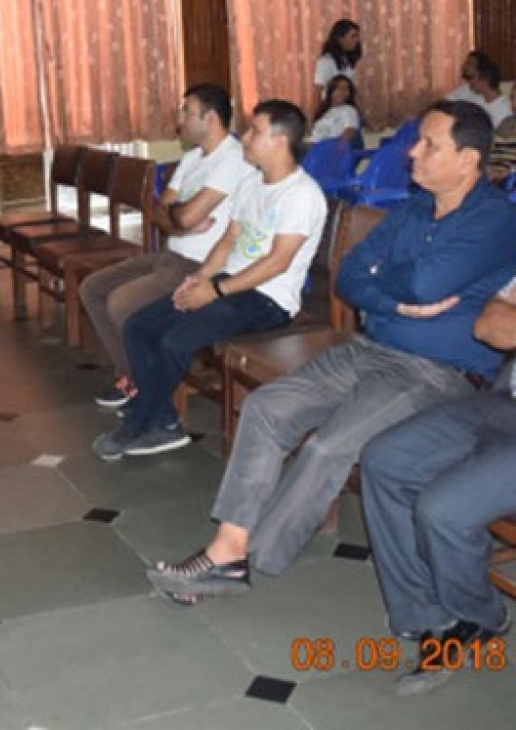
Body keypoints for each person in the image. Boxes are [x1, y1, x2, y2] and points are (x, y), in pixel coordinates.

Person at [147, 100, 516, 600]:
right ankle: (229, 550)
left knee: (327, 446)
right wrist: (397, 303)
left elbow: (426, 282)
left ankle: (245, 556)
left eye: (429, 144)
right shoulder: (413, 206)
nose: (413, 150)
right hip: (370, 347)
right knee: (266, 407)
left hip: (434, 372)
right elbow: (349, 275)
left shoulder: (495, 221)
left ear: (468, 160)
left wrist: (383, 282)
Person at [92, 100, 327, 460]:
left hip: (267, 300)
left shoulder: (303, 194)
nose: (245, 138)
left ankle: (141, 424)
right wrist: (199, 279)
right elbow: (228, 240)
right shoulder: (253, 182)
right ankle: (165, 420)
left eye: (255, 132)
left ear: (280, 141)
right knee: (139, 326)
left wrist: (215, 290)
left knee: (174, 340)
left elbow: (278, 262)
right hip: (228, 285)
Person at [360, 286, 516, 697]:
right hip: (505, 402)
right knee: (385, 459)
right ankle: (425, 613)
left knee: (443, 510)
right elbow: (489, 325)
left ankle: (480, 617)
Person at [81, 84, 253, 410]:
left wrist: (178, 216)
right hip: (170, 255)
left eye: (187, 112)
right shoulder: (191, 158)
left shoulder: (232, 160)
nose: (181, 120)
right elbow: (159, 213)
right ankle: (135, 376)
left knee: (121, 303)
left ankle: (146, 389)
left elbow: (182, 214)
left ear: (211, 118)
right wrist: (179, 219)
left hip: (199, 266)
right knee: (93, 289)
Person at [313, 19, 362, 93]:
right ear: (340, 38)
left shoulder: (345, 59)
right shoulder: (326, 61)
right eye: (352, 36)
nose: (356, 40)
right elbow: (317, 90)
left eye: (357, 37)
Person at [467, 51, 513, 128]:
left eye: (473, 78)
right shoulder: (476, 99)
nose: (470, 81)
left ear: (484, 81)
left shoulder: (506, 109)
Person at [310, 74, 361, 142]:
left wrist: (338, 146)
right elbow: (315, 136)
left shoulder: (349, 110)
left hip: (332, 147)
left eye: (346, 88)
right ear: (331, 90)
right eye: (339, 88)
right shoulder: (323, 112)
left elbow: (350, 131)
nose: (343, 92)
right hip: (316, 146)